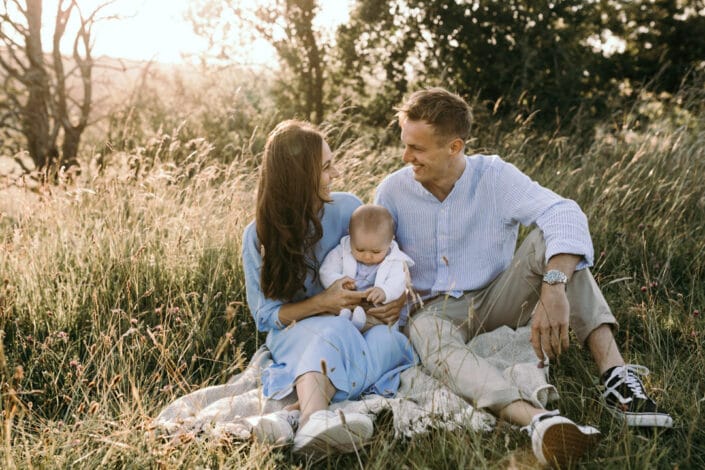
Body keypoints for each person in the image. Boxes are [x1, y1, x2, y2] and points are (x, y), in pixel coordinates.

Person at [374, 88, 673, 467]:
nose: (406, 157)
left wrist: (553, 286)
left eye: (416, 148)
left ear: (454, 147)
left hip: (499, 296)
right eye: (405, 145)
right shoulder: (393, 190)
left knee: (556, 245)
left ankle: (616, 378)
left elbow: (564, 212)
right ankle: (539, 421)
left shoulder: (495, 176)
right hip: (434, 313)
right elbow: (376, 259)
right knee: (427, 335)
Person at [242, 120, 416, 455]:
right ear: (298, 177)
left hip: (360, 326)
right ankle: (314, 421)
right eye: (325, 167)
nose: (334, 174)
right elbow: (265, 316)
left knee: (390, 344)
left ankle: (292, 418)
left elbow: (385, 259)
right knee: (331, 331)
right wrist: (323, 302)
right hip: (298, 332)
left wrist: (396, 298)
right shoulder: (258, 235)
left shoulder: (349, 208)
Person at [319, 204, 415, 332]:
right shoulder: (342, 250)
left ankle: (355, 325)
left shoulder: (395, 260)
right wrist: (339, 281)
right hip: (346, 303)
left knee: (379, 325)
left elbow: (399, 281)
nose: (367, 256)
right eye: (359, 249)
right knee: (327, 316)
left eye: (376, 252)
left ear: (390, 241)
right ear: (350, 235)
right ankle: (344, 321)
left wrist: (384, 291)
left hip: (373, 309)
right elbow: (326, 271)